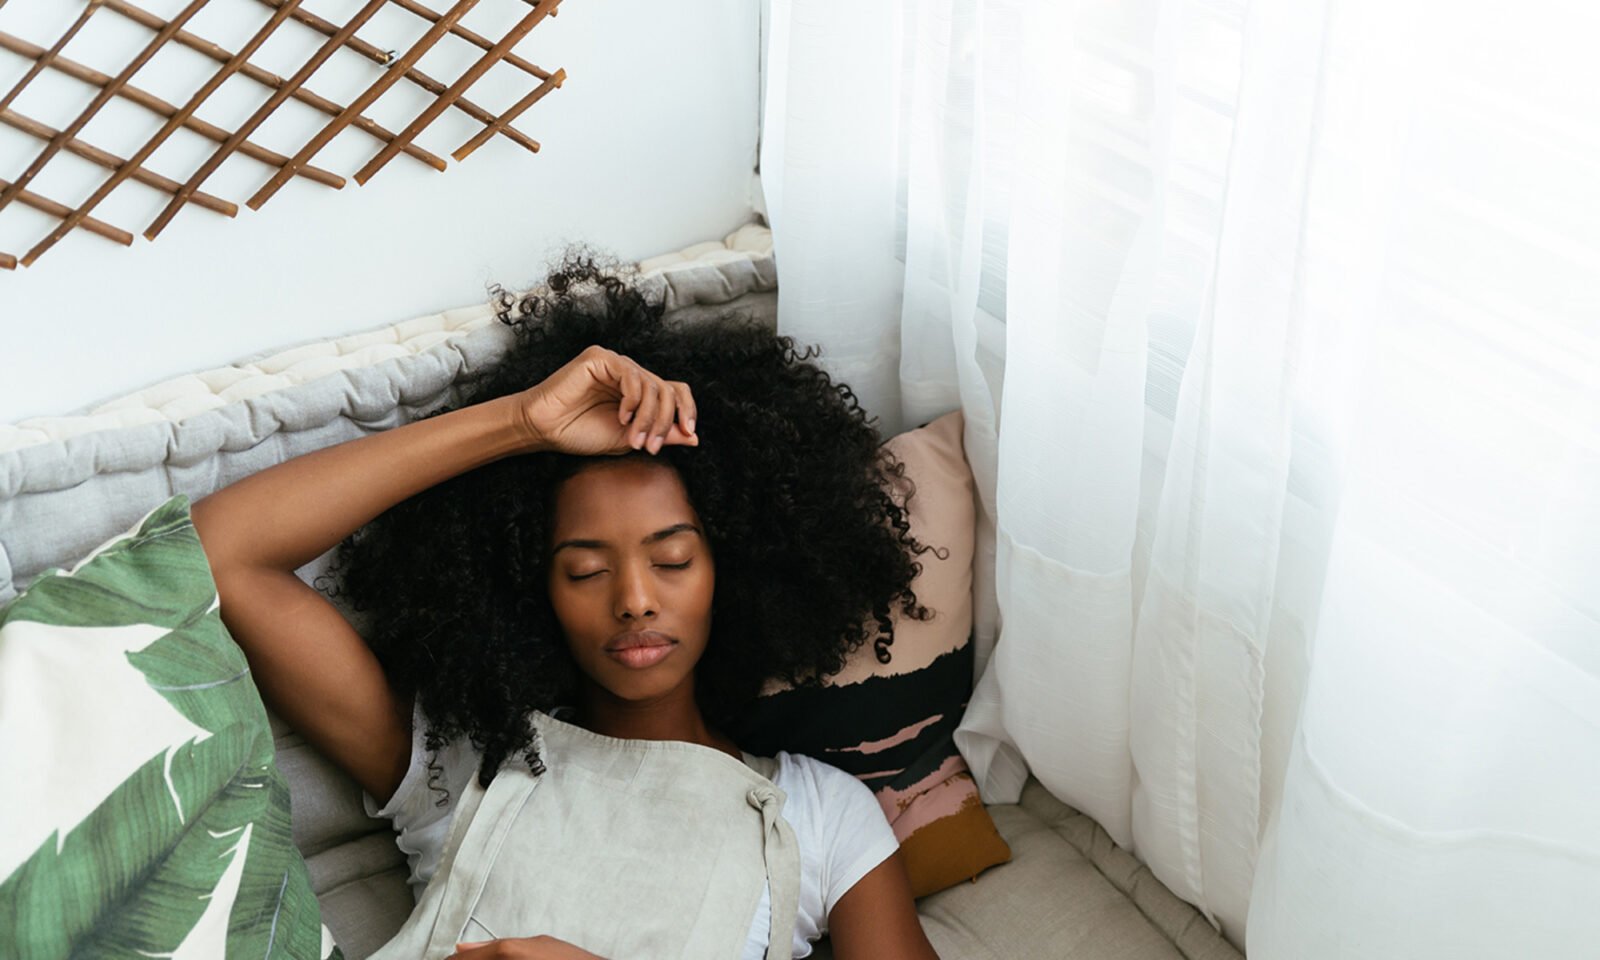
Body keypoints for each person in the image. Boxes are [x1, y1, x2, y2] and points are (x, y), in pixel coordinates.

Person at [192, 257, 942, 960]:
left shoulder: (819, 816)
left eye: (673, 559)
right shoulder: (464, 767)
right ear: (530, 592)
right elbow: (223, 555)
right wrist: (521, 425)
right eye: (584, 571)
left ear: (735, 568)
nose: (635, 600)